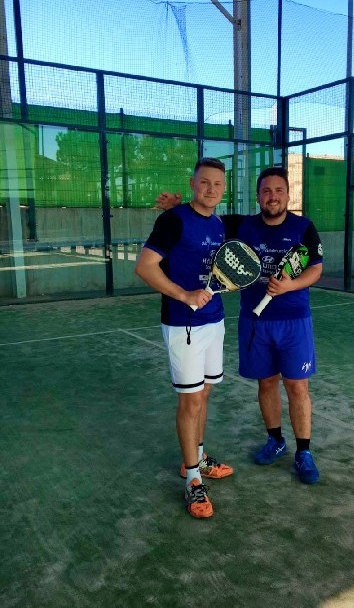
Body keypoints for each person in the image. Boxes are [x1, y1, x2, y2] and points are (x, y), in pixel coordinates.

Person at [135, 157, 233, 519]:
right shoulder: (172, 220)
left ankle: (198, 457)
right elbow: (144, 267)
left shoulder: (219, 224)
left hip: (215, 322)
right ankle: (192, 478)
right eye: (204, 182)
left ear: (224, 189)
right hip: (184, 325)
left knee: (204, 394)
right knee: (190, 402)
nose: (211, 189)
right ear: (192, 184)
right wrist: (184, 295)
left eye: (217, 184)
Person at [223, 166, 323, 484]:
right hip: (256, 322)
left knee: (297, 386)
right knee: (266, 383)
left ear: (288, 195)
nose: (273, 196)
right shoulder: (242, 225)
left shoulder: (304, 227)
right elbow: (204, 220)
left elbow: (315, 269)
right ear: (258, 196)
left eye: (279, 190)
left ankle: (303, 452)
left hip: (294, 322)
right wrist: (176, 208)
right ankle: (276, 440)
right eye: (266, 191)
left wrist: (289, 285)